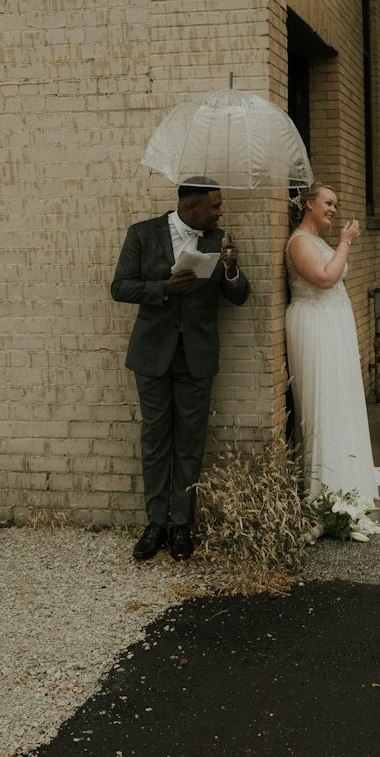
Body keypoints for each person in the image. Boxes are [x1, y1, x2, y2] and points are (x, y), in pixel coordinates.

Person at [111, 180, 250, 561]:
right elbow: (120, 287)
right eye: (214, 206)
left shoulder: (219, 238)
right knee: (155, 440)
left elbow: (238, 296)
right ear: (191, 207)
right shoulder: (142, 234)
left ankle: (181, 526)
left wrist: (232, 269)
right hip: (153, 355)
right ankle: (155, 524)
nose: (220, 212)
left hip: (197, 357)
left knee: (190, 441)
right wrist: (163, 288)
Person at [285, 183, 380, 504]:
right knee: (324, 397)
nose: (333, 209)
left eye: (335, 204)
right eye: (328, 203)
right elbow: (324, 278)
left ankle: (347, 470)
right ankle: (328, 483)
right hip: (314, 326)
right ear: (308, 205)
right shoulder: (298, 242)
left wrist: (341, 244)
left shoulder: (317, 240)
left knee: (340, 396)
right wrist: (345, 243)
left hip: (332, 324)